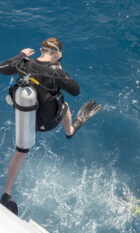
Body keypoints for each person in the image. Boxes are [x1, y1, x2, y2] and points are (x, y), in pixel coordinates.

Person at [0, 37, 100, 215]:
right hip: (48, 122)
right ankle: (70, 130)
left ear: (41, 50)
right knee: (66, 105)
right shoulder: (55, 72)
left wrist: (20, 55)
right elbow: (76, 90)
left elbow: (2, 68)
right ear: (56, 55)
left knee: (20, 153)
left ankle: (6, 194)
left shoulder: (23, 63)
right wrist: (62, 71)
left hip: (27, 119)